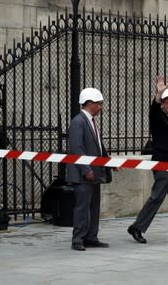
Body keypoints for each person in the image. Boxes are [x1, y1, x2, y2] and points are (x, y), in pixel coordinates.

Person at [127, 76, 168, 244]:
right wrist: (158, 94)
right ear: (163, 104)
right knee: (157, 197)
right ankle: (137, 227)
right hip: (164, 164)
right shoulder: (158, 118)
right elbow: (154, 110)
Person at [66, 88, 110, 251]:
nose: (101, 107)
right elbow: (77, 148)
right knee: (82, 207)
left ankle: (91, 236)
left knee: (94, 206)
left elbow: (99, 147)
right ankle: (78, 239)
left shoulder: (91, 121)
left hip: (95, 172)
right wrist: (86, 169)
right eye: (99, 104)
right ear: (90, 103)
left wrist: (108, 163)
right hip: (84, 174)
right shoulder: (78, 122)